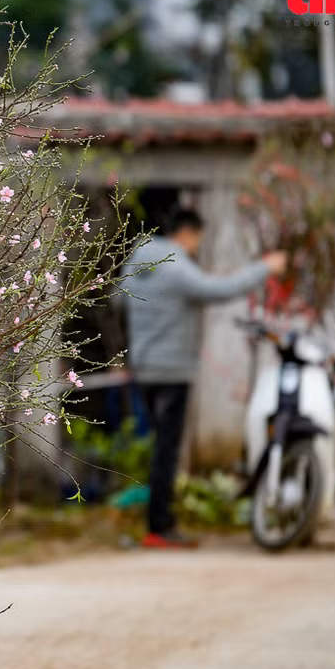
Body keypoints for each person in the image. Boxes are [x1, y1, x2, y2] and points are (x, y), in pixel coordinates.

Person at [122, 208, 287, 549]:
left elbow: (116, 301)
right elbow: (218, 290)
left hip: (145, 367)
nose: (197, 246)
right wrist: (264, 268)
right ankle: (160, 527)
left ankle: (157, 521)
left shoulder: (137, 264)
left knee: (159, 447)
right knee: (167, 451)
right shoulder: (175, 266)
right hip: (172, 371)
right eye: (198, 239)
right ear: (186, 233)